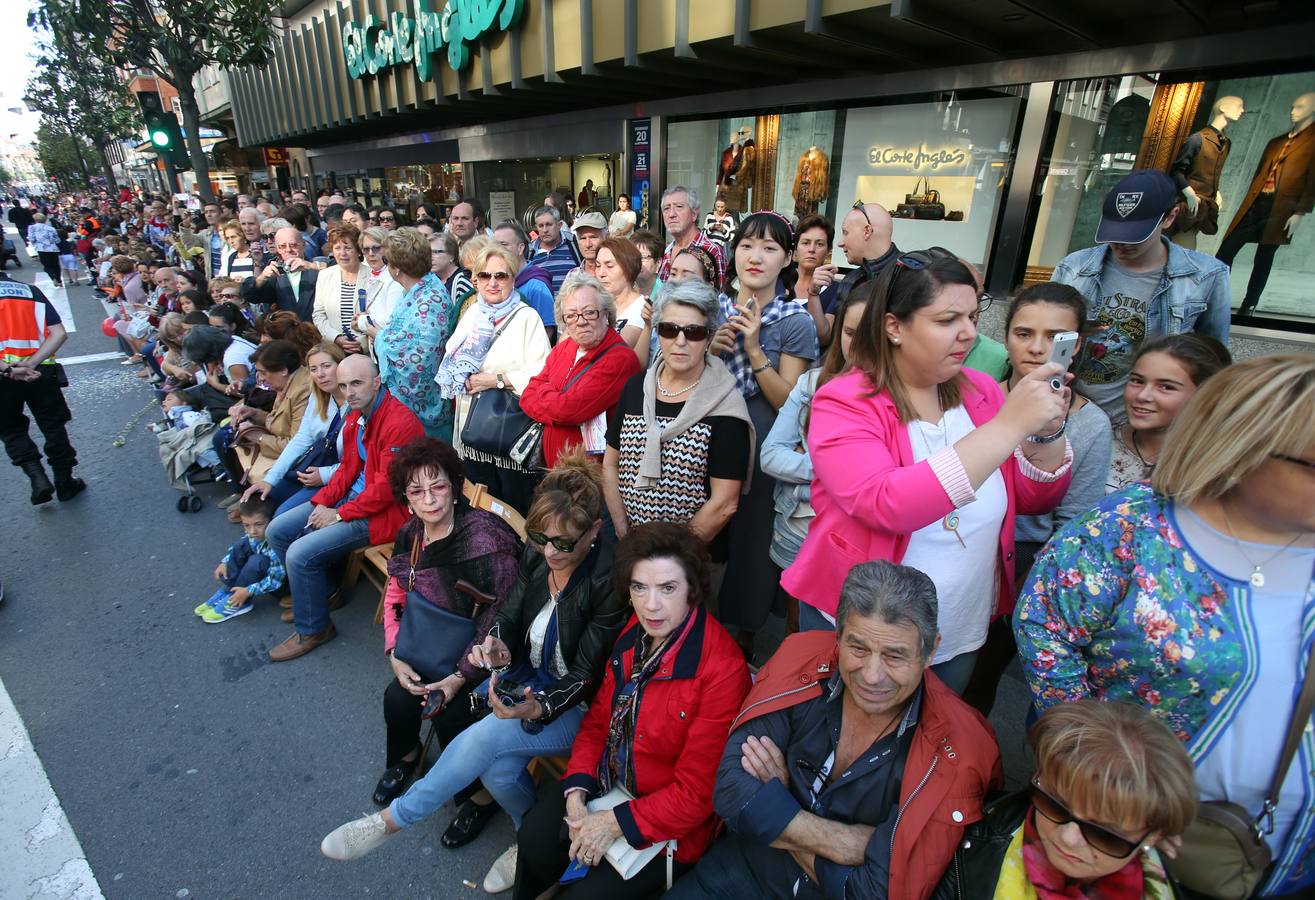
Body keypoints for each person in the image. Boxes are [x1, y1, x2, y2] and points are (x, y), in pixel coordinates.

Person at [1015, 353, 1315, 899]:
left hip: (1288, 856)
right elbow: (1045, 629)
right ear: (1246, 446)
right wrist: (1096, 780)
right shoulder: (1129, 529)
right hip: (1118, 843)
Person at [780, 250, 1072, 695]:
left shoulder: (984, 393)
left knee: (929, 746)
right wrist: (1010, 426)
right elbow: (886, 503)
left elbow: (1031, 500)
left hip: (957, 624)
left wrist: (1044, 434)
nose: (969, 333)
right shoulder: (844, 401)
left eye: (974, 316)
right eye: (947, 319)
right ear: (895, 326)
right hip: (867, 631)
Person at [320, 454, 630, 874]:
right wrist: (497, 646)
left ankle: (393, 820)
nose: (551, 553)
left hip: (575, 705)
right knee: (499, 775)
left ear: (594, 531)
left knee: (485, 738)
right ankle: (528, 840)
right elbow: (508, 613)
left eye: (564, 544)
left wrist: (536, 706)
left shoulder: (608, 580)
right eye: (541, 538)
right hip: (525, 678)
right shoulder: (539, 553)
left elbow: (586, 675)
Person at [667, 560, 1002, 900]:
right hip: (744, 871)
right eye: (858, 648)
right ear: (838, 636)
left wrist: (778, 807)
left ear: (930, 651)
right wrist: (845, 842)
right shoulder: (800, 657)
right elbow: (731, 792)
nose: (872, 675)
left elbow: (872, 893)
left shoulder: (961, 748)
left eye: (894, 656)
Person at [510, 521, 750, 898]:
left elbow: (697, 795)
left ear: (693, 590)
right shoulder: (635, 634)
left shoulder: (723, 671)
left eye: (667, 588)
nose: (650, 605)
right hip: (609, 780)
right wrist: (576, 791)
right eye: (639, 587)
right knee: (535, 837)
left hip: (669, 822)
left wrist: (612, 823)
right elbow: (597, 724)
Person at [960, 282, 1112, 717]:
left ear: (1077, 344)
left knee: (977, 685)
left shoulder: (1091, 424)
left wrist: (1038, 589)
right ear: (1005, 334)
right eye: (1024, 333)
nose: (1037, 348)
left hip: (1026, 565)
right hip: (959, 544)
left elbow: (1074, 525)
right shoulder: (970, 395)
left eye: (1054, 337)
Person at [363, 437, 521, 809]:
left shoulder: (487, 542)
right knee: (397, 697)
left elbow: (502, 617)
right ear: (407, 497)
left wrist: (458, 677)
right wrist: (395, 653)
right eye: (417, 491)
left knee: (454, 713)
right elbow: (398, 594)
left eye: (438, 487)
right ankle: (406, 756)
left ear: (455, 487)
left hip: (484, 653)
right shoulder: (412, 534)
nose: (430, 499)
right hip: (427, 644)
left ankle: (478, 798)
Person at [930, 700, 1196, 900]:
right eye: (1055, 805)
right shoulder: (972, 837)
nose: (1068, 838)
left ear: (1151, 836)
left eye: (1104, 833)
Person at [710, 212, 820, 659]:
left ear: (788, 257)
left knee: (751, 547)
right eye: (747, 245)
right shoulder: (711, 307)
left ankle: (741, 643)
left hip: (759, 452)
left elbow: (789, 401)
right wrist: (707, 353)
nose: (756, 257)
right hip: (705, 440)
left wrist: (753, 349)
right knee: (705, 541)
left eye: (770, 248)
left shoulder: (794, 320)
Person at [264, 354, 425, 661]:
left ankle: (314, 628)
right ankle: (323, 596)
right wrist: (324, 500)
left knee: (299, 554)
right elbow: (349, 467)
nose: (349, 392)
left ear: (377, 382)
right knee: (278, 530)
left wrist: (338, 513)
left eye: (357, 383)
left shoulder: (400, 422)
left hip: (384, 514)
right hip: (353, 501)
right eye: (343, 385)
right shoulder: (356, 414)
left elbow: (388, 490)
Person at [1052, 169, 1232, 420]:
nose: (1122, 244)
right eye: (1114, 233)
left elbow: (1215, 362)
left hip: (1145, 419)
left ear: (1170, 217)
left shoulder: (1206, 276)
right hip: (1071, 410)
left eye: (1135, 236)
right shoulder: (1074, 267)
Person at [603, 279, 752, 573]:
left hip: (694, 562)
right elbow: (610, 466)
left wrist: (669, 562)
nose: (680, 341)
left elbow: (724, 504)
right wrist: (625, 536)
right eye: (670, 330)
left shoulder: (725, 407)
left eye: (693, 333)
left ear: (709, 337)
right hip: (632, 550)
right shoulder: (636, 388)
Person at [759, 285, 868, 633]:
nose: (861, 345)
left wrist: (812, 463)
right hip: (799, 527)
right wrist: (832, 470)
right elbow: (771, 456)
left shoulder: (905, 398)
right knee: (802, 634)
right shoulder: (811, 383)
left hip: (862, 541)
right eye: (851, 333)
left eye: (872, 334)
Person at [438, 244, 551, 514]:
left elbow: (540, 375)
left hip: (507, 435)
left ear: (513, 278)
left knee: (513, 509)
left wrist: (493, 380)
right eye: (485, 276)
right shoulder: (472, 315)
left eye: (501, 276)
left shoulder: (527, 318)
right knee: (478, 507)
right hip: (471, 431)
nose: (492, 282)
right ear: (475, 280)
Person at [519, 272, 641, 469]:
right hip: (556, 470)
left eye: (590, 312)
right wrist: (554, 398)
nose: (581, 321)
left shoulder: (619, 360)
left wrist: (545, 392)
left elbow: (568, 410)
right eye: (571, 315)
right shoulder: (565, 348)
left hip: (590, 478)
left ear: (606, 315)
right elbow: (526, 396)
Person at [1107, 333, 1231, 493]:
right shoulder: (1101, 441)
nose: (1143, 396)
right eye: (1137, 381)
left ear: (1204, 394)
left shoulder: (1218, 463)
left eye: (1166, 387)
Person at [0, 270, 85, 504]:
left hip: (3, 376)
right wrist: (32, 363)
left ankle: (37, 479)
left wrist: (8, 369)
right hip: (40, 371)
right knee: (53, 426)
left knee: (11, 430)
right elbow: (58, 333)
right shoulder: (30, 291)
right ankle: (64, 481)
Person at [243, 342, 347, 516]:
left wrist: (326, 474)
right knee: (266, 499)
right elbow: (302, 438)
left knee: (280, 515)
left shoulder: (358, 401)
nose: (320, 374)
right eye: (313, 369)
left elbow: (362, 460)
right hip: (314, 466)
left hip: (336, 476)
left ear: (341, 366)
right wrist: (270, 479)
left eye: (326, 366)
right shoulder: (318, 396)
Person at [374, 228, 459, 441]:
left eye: (386, 260)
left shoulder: (429, 301)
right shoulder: (417, 290)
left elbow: (420, 364)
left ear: (396, 268)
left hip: (426, 413)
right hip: (412, 410)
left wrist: (378, 336)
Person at [194, 497, 287, 623]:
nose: (252, 531)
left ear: (271, 521)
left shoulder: (275, 545)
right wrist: (226, 561)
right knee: (241, 544)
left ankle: (240, 602)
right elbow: (241, 545)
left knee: (257, 561)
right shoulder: (255, 534)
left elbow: (275, 580)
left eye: (259, 524)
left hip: (281, 584)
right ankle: (229, 590)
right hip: (267, 576)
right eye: (246, 525)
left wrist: (248, 591)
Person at [828, 200, 898, 319]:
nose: (840, 243)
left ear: (867, 231)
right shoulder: (851, 280)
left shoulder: (909, 278)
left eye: (846, 232)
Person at [240, 225, 320, 321]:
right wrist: (262, 277)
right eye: (282, 246)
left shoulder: (316, 267)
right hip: (286, 332)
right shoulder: (274, 273)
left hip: (316, 331)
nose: (288, 250)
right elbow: (250, 295)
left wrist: (312, 266)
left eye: (293, 245)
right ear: (277, 249)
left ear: (303, 244)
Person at [492, 220, 556, 333]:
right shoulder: (495, 282)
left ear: (520, 248)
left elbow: (547, 332)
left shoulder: (537, 286)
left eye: (503, 245)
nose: (497, 250)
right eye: (495, 245)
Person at [311, 223, 367, 351]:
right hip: (335, 348)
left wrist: (360, 344)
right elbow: (319, 315)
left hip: (366, 348)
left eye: (347, 248)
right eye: (337, 248)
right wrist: (336, 338)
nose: (342, 253)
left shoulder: (371, 275)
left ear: (358, 250)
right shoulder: (325, 275)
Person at [657, 186, 726, 284]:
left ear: (694, 214)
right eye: (666, 208)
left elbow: (720, 297)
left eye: (679, 207)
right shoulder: (665, 250)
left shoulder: (713, 250)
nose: (671, 214)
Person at [593, 237, 648, 351]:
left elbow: (614, 354)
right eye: (598, 265)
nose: (601, 273)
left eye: (609, 266)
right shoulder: (594, 305)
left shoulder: (641, 310)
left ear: (629, 268)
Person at [792, 214, 837, 346]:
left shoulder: (835, 290)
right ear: (796, 248)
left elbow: (822, 338)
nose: (811, 249)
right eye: (805, 243)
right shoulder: (778, 280)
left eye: (819, 244)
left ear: (828, 250)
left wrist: (813, 293)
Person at [530, 205, 582, 295]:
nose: (545, 230)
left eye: (549, 224)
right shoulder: (531, 252)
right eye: (541, 226)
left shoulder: (573, 244)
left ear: (559, 225)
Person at [430, 230, 473, 303]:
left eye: (436, 252)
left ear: (452, 256)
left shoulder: (462, 280)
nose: (430, 257)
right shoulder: (431, 279)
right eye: (428, 252)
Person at [571, 211, 607, 278]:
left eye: (593, 237)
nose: (588, 244)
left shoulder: (617, 274)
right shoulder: (572, 275)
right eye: (583, 238)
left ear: (606, 237)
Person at [632, 230, 664, 299]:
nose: (637, 261)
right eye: (633, 256)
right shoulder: (623, 291)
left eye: (643, 257)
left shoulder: (666, 295)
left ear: (658, 263)